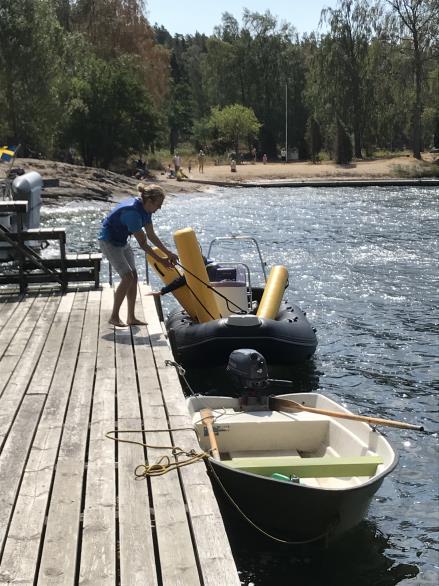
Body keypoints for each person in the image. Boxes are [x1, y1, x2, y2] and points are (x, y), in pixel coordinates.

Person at [98, 183, 178, 327]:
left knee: (134, 277)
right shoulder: (133, 213)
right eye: (158, 205)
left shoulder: (146, 210)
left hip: (122, 241)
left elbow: (151, 235)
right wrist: (161, 260)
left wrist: (169, 253)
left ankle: (131, 317)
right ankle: (114, 316)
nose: (159, 208)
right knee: (127, 277)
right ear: (149, 201)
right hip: (109, 242)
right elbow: (143, 243)